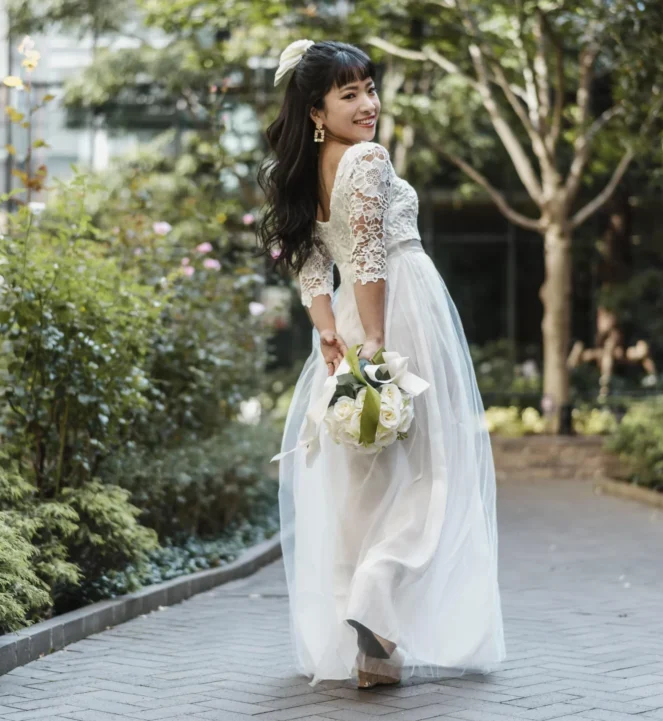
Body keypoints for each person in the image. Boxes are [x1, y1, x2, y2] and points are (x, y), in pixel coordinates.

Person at [257, 39, 505, 689]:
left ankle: (374, 655)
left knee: (365, 479)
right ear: (316, 110)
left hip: (350, 320)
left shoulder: (302, 173)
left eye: (369, 88)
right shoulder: (365, 159)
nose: (368, 104)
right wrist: (372, 342)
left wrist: (326, 332)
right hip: (395, 308)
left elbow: (310, 263)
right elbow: (365, 257)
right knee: (429, 469)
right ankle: (375, 594)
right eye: (350, 94)